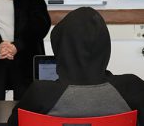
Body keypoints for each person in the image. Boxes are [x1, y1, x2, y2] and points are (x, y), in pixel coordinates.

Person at [8, 7, 144, 126]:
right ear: (104, 46)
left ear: (61, 48)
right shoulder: (132, 87)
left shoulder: (40, 92)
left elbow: (13, 123)